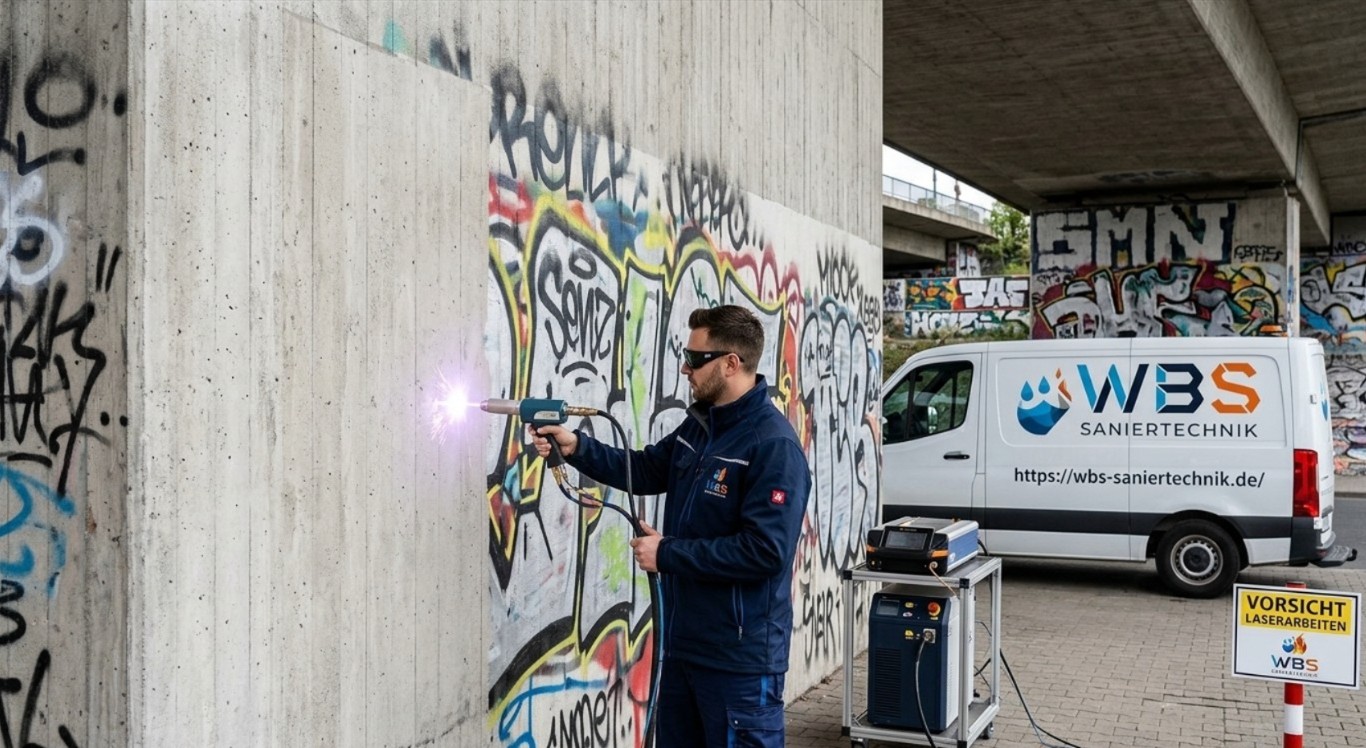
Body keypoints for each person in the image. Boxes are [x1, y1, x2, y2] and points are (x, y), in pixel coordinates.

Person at [530, 304, 811, 748]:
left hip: (739, 662)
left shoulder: (772, 446)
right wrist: (576, 446)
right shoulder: (699, 427)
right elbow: (643, 469)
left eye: (696, 359)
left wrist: (667, 553)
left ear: (731, 364)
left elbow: (765, 551)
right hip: (683, 648)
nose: (686, 367)